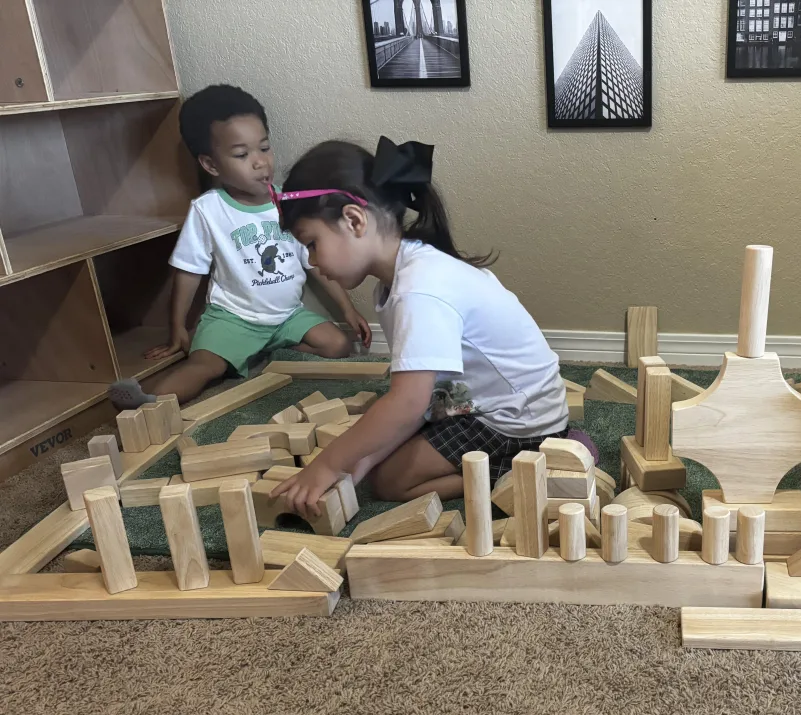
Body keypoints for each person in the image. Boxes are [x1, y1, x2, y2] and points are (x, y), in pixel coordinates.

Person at [268, 137, 568, 516]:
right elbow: (414, 396)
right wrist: (362, 453)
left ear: (354, 220)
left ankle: (529, 471)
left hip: (521, 425)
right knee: (376, 442)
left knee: (390, 481)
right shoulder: (404, 275)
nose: (311, 261)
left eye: (312, 243)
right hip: (497, 406)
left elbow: (408, 404)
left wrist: (328, 463)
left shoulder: (419, 288)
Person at [107, 85, 370, 409]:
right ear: (211, 165)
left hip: (288, 316)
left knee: (338, 345)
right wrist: (177, 328)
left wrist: (347, 309)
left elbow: (315, 262)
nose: (260, 163)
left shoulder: (289, 202)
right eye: (243, 155)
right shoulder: (209, 210)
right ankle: (148, 403)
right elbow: (188, 272)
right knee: (204, 366)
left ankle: (271, 357)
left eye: (264, 148)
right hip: (232, 319)